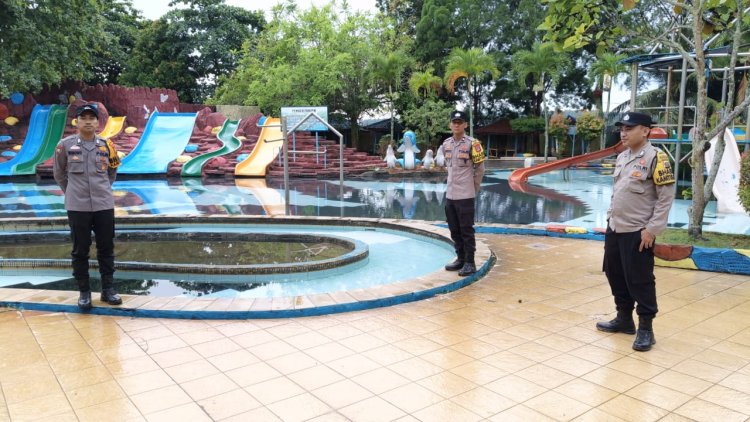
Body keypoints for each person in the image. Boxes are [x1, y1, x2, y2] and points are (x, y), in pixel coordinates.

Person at [597, 111, 675, 352]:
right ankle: (624, 318)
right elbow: (618, 191)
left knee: (640, 280)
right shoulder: (622, 156)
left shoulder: (657, 158)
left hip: (638, 232)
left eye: (629, 128)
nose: (623, 133)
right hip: (615, 227)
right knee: (615, 274)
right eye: (622, 128)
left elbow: (665, 198)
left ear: (645, 130)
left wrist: (652, 230)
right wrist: (610, 217)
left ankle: (646, 329)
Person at [53, 103, 122, 310]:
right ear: (77, 122)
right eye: (84, 118)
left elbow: (112, 171)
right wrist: (72, 192)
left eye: (92, 118)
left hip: (103, 205)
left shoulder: (107, 145)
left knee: (106, 248)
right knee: (80, 250)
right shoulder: (64, 145)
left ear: (98, 122)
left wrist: (103, 189)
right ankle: (84, 292)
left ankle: (108, 290)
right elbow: (59, 173)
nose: (88, 121)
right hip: (77, 207)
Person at [442, 110, 485, 276]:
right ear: (450, 124)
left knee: (466, 230)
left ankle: (470, 262)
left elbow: (480, 169)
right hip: (450, 195)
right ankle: (460, 259)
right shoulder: (446, 144)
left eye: (460, 122)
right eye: (454, 122)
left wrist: (473, 188)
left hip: (465, 195)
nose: (457, 125)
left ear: (465, 125)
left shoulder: (473, 144)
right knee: (454, 229)